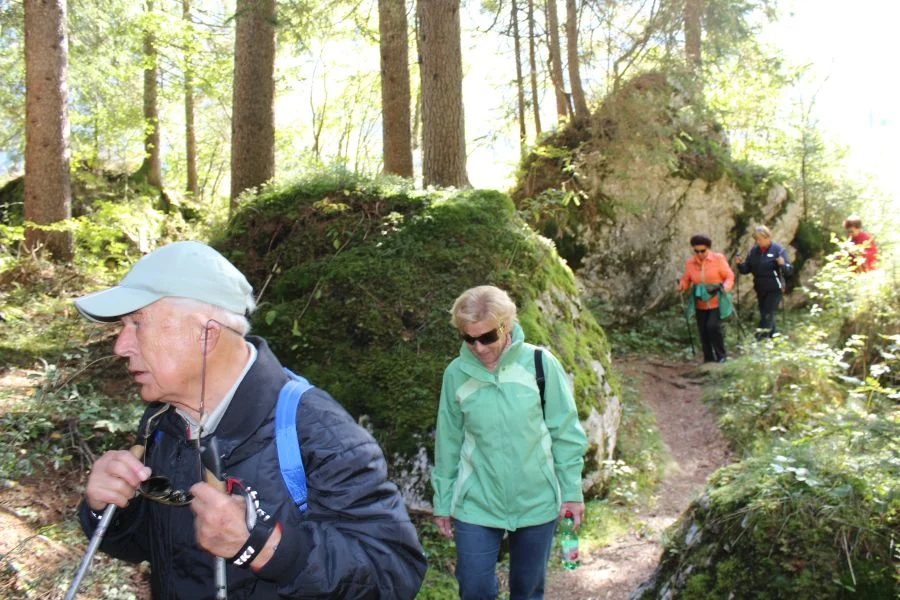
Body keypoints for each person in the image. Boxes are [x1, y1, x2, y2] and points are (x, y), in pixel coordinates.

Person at [72, 241, 427, 599]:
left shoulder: (319, 432)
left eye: (137, 323)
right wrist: (112, 508)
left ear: (206, 334)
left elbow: (395, 575)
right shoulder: (165, 424)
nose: (120, 346)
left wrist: (264, 546)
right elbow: (160, 550)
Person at [430, 286, 588, 600]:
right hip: (476, 502)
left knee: (527, 591)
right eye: (468, 338)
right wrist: (443, 502)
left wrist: (571, 492)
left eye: (487, 337)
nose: (477, 347)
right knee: (473, 589)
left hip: (536, 501)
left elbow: (566, 433)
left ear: (507, 326)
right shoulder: (456, 374)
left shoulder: (541, 365)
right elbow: (448, 443)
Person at [677, 234, 735, 363]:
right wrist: (682, 285)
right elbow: (686, 279)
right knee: (703, 330)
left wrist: (726, 287)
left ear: (708, 248)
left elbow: (729, 276)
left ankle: (721, 356)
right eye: (696, 251)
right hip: (700, 302)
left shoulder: (718, 259)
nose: (699, 254)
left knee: (712, 326)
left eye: (702, 251)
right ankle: (708, 358)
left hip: (717, 299)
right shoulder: (690, 263)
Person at [735, 225, 793, 339]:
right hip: (760, 288)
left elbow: (789, 270)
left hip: (775, 288)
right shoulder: (754, 251)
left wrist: (782, 264)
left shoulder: (778, 250)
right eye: (756, 239)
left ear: (768, 237)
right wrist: (740, 264)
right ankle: (774, 338)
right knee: (765, 313)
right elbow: (746, 269)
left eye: (760, 239)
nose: (758, 242)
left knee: (767, 314)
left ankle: (760, 339)